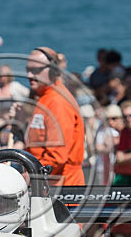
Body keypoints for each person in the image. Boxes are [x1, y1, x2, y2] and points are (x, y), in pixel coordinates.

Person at [24, 46, 85, 186]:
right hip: (45, 185)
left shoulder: (58, 101)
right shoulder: (45, 98)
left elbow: (57, 157)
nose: (29, 75)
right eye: (28, 69)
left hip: (61, 189)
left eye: (36, 70)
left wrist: (27, 178)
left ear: (52, 71)